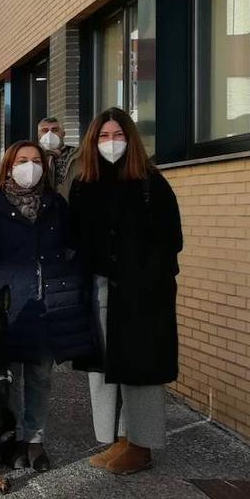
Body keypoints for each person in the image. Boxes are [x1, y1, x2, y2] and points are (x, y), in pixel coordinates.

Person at [70, 108, 182, 476]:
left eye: (117, 135)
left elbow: (171, 241)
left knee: (140, 367)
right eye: (103, 136)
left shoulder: (151, 183)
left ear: (130, 138)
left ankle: (141, 444)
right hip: (99, 287)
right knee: (105, 367)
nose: (111, 142)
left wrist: (144, 277)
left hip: (141, 292)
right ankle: (117, 437)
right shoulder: (85, 183)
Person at [0, 140, 94, 472]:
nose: (29, 166)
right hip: (7, 305)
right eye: (21, 160)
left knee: (40, 377)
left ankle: (35, 440)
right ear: (8, 166)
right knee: (8, 378)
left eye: (35, 160)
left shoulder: (56, 203)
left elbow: (71, 246)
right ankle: (10, 438)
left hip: (46, 304)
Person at [38, 116, 80, 197]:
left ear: (63, 133)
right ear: (39, 135)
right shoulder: (34, 157)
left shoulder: (77, 155)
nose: (49, 134)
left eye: (55, 130)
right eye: (45, 130)